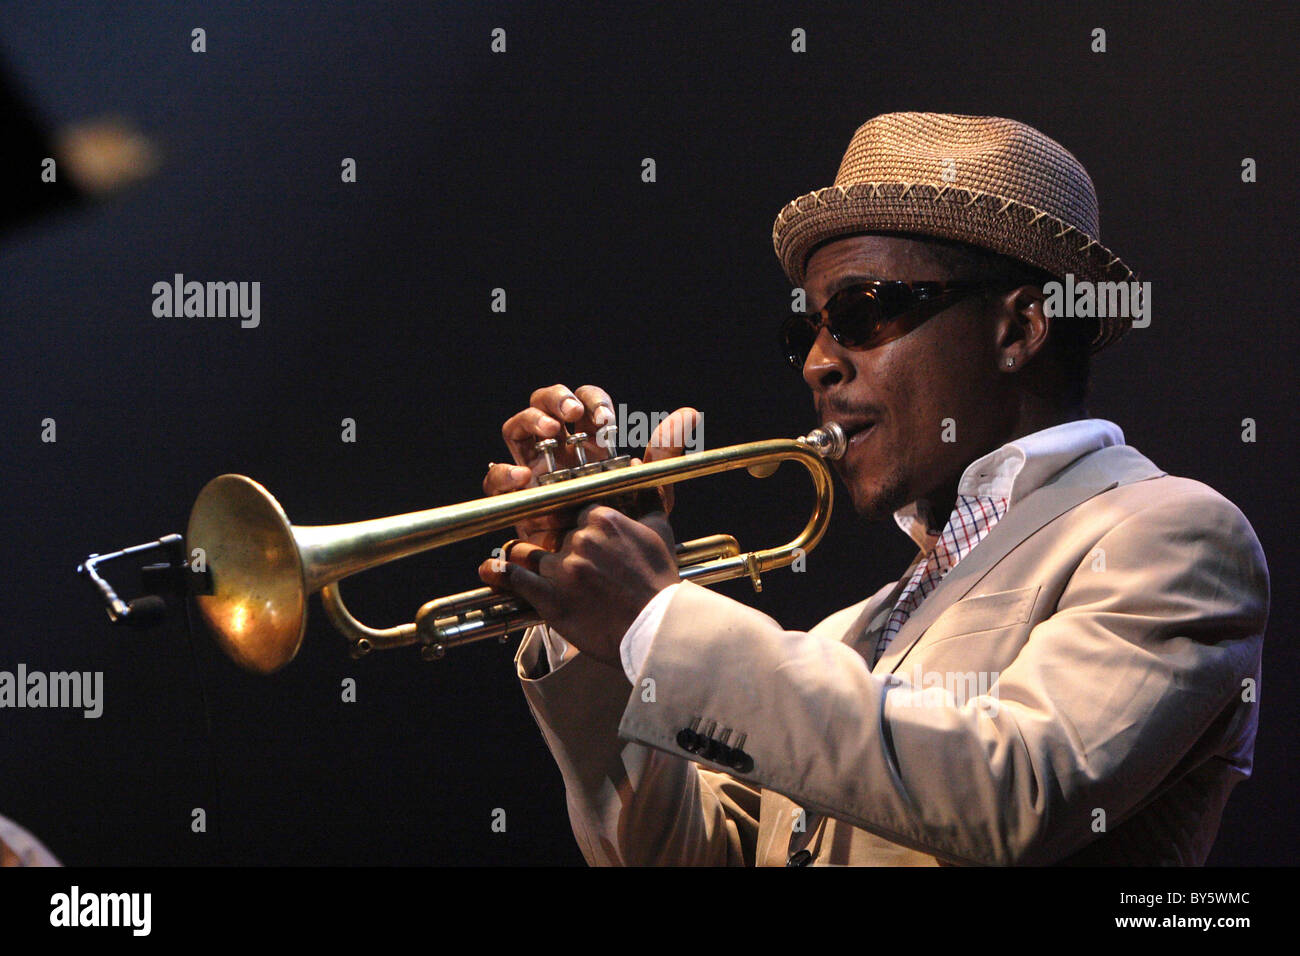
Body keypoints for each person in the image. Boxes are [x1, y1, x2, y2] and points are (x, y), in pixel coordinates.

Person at [477, 112, 1269, 866]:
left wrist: (659, 619)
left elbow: (1023, 787)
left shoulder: (1170, 535)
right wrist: (599, 633)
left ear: (1019, 329)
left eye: (860, 313)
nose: (820, 362)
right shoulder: (842, 638)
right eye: (808, 332)